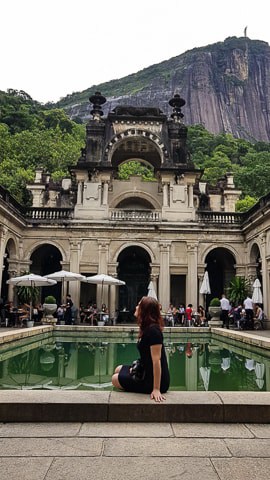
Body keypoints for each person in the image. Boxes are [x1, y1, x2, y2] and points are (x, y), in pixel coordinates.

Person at [112, 296, 170, 402]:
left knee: (115, 379)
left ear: (145, 310)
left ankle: (153, 386)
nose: (136, 307)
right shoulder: (147, 327)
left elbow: (157, 361)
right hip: (145, 370)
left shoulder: (154, 332)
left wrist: (156, 389)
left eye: (139, 305)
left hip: (154, 380)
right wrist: (135, 369)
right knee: (118, 369)